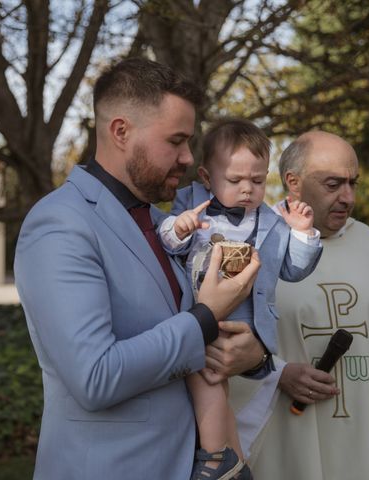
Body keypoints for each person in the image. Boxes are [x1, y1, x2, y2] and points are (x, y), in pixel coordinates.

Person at [14, 57, 266, 480]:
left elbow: (193, 346)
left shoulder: (164, 224)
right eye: (176, 140)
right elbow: (95, 377)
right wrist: (204, 317)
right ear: (121, 131)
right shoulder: (59, 223)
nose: (188, 157)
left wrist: (251, 355)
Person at [244, 130, 369, 480]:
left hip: (366, 429)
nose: (348, 197)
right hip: (287, 431)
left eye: (352, 183)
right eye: (333, 184)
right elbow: (228, 336)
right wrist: (277, 373)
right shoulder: (256, 246)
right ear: (293, 183)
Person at [158, 119, 323, 480]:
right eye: (235, 181)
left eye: (258, 180)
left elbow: (293, 270)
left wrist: (302, 233)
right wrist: (180, 228)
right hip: (198, 315)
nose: (247, 190)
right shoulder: (190, 202)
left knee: (213, 379)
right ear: (206, 176)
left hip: (244, 325)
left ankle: (219, 457)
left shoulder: (273, 221)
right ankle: (226, 457)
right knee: (207, 382)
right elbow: (167, 242)